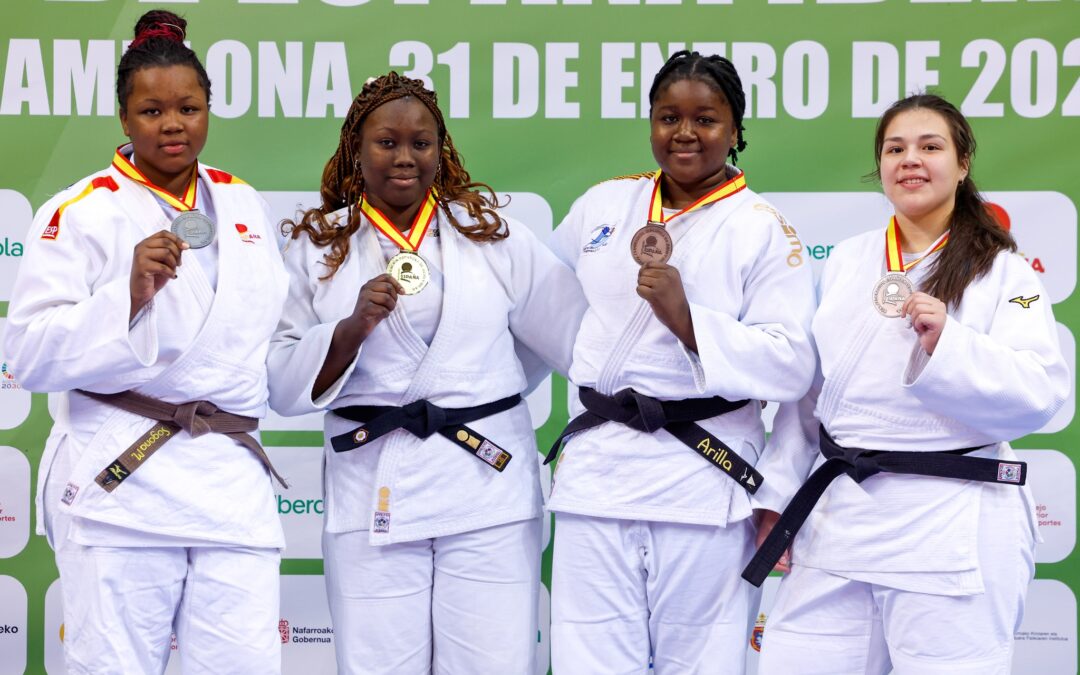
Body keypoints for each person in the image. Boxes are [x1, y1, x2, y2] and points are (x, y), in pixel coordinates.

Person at [267, 72, 585, 674]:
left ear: (443, 149)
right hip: (372, 487)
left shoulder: (492, 236)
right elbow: (281, 383)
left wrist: (477, 389)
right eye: (387, 142)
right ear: (356, 150)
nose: (405, 158)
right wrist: (348, 330)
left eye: (422, 143)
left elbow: (570, 340)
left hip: (485, 484)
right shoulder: (320, 246)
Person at [1, 9, 289, 675]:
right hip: (123, 482)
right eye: (152, 109)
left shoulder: (244, 205)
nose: (172, 124)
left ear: (208, 109)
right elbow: (29, 354)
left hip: (229, 486)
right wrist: (125, 296)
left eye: (188, 107)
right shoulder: (82, 211)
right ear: (125, 119)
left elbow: (266, 335)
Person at [749, 94, 1069, 675]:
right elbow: (813, 396)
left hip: (949, 519)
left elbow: (1041, 391)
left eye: (930, 146)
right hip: (841, 515)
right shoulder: (848, 260)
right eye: (895, 149)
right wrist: (778, 493)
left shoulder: (1006, 273)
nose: (910, 160)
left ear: (963, 162)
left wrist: (950, 344)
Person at [545, 50, 816, 674]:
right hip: (598, 479)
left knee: (702, 662)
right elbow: (552, 313)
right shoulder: (603, 207)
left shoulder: (763, 228)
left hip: (701, 478)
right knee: (589, 661)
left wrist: (690, 323)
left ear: (736, 130)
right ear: (650, 123)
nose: (686, 133)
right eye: (669, 117)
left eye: (706, 119)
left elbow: (792, 364)